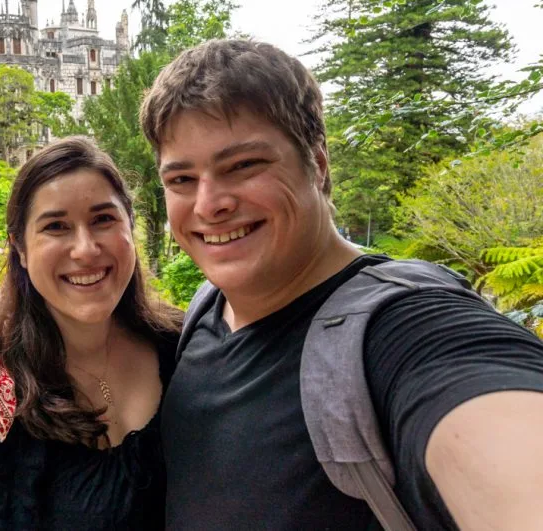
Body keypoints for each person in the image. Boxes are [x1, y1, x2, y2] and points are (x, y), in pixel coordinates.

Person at [139, 39, 543, 530]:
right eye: (182, 179)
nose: (208, 204)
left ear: (318, 162)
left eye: (243, 165)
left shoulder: (404, 327)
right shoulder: (206, 310)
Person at [0, 137, 183, 530]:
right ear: (21, 250)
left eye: (103, 219)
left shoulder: (183, 347)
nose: (85, 249)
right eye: (56, 227)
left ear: (130, 227)